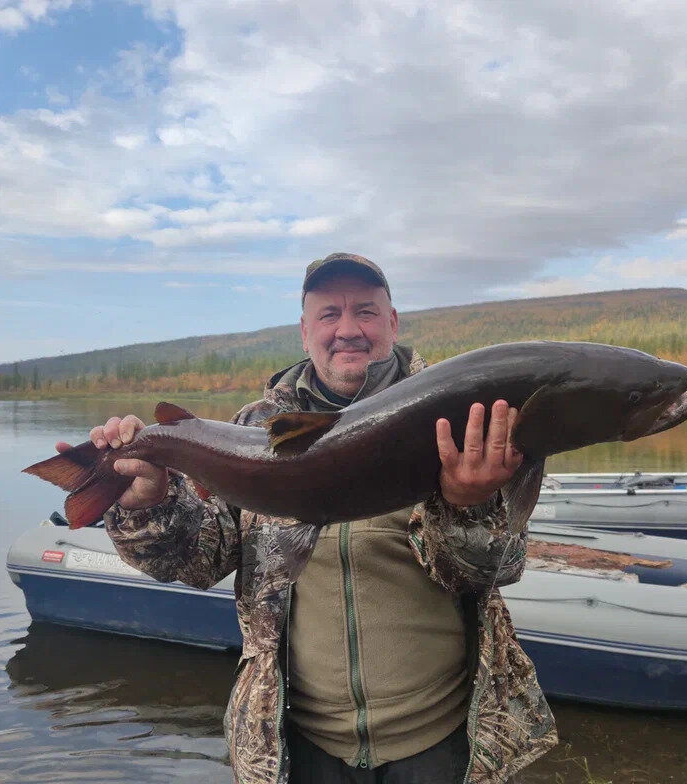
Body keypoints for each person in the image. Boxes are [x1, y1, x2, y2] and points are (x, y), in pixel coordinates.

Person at [59, 253, 556, 783]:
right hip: (296, 746)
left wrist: (468, 504)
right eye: (328, 315)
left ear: (392, 323)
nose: (348, 330)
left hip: (442, 741)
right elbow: (195, 560)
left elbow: (494, 570)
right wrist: (148, 503)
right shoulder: (251, 427)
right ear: (304, 331)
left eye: (365, 312)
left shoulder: (463, 416)